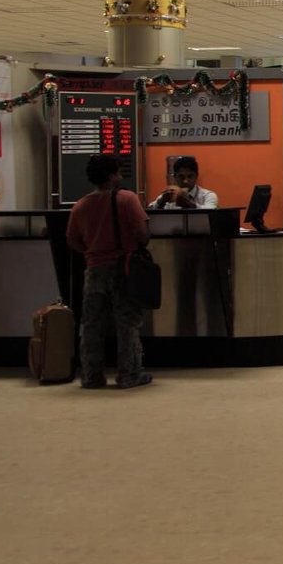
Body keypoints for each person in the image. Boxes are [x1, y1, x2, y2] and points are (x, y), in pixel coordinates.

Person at [65, 153, 153, 389]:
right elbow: (143, 234)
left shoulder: (80, 205)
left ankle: (91, 376)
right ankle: (129, 374)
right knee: (127, 324)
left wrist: (91, 251)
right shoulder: (127, 199)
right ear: (113, 175)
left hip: (94, 269)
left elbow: (72, 240)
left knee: (91, 325)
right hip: (124, 267)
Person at [148, 155, 218, 210]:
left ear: (196, 176)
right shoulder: (169, 195)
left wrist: (189, 204)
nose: (185, 181)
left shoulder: (208, 195)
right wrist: (161, 202)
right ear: (175, 177)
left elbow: (211, 213)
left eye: (190, 176)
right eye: (181, 177)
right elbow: (149, 213)